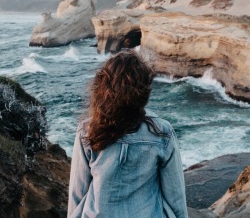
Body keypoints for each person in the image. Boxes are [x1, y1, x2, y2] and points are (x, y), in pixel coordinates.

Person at [67, 50, 188, 218]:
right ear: (144, 91)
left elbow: (77, 196)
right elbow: (176, 199)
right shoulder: (162, 132)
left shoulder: (87, 130)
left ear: (104, 87)